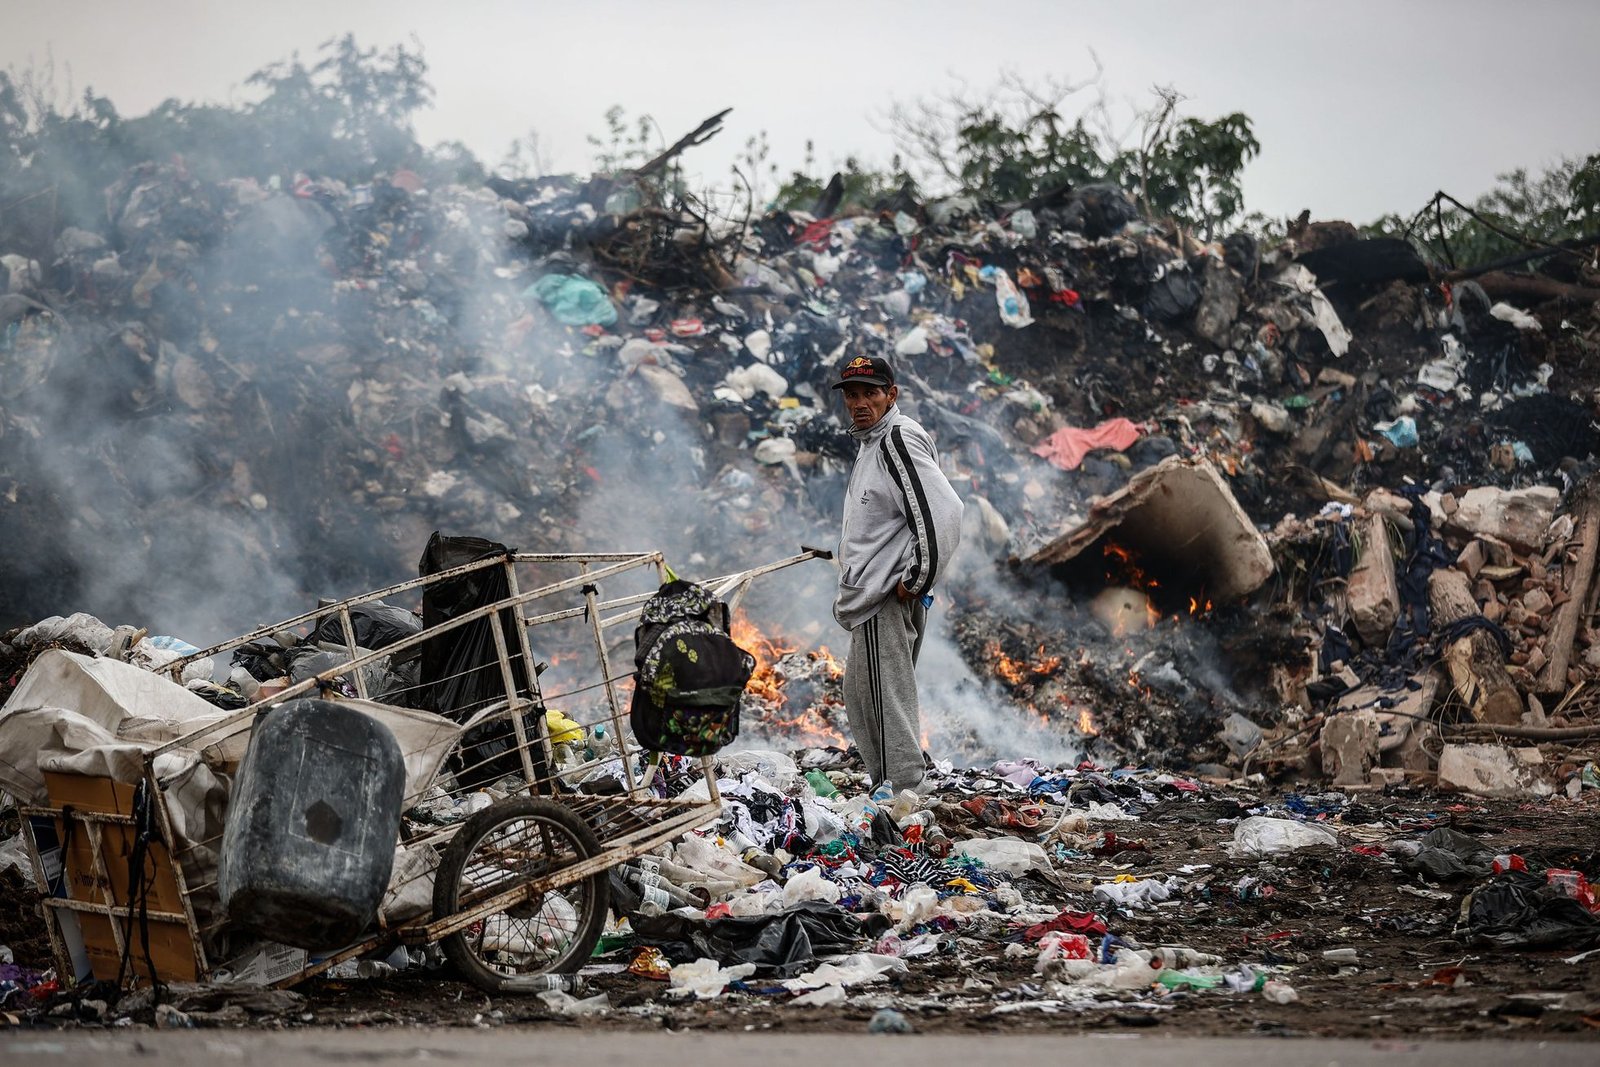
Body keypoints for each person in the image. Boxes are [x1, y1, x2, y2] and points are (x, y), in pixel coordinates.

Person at [830, 355, 963, 791]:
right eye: (852, 394)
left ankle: (904, 790)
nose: (860, 402)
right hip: (870, 596)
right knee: (862, 695)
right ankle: (889, 783)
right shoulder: (873, 444)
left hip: (884, 595)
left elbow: (943, 512)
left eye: (871, 392)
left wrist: (917, 578)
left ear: (892, 395)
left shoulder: (897, 440)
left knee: (884, 698)